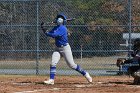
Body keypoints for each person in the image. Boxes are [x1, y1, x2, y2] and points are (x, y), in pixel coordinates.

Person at [41, 13, 92, 85]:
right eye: (58, 17)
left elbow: (53, 35)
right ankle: (51, 80)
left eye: (61, 18)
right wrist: (43, 29)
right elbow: (49, 33)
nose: (59, 19)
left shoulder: (63, 28)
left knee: (72, 65)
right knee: (53, 63)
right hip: (57, 48)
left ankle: (86, 74)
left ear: (63, 21)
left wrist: (46, 31)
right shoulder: (56, 27)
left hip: (65, 48)